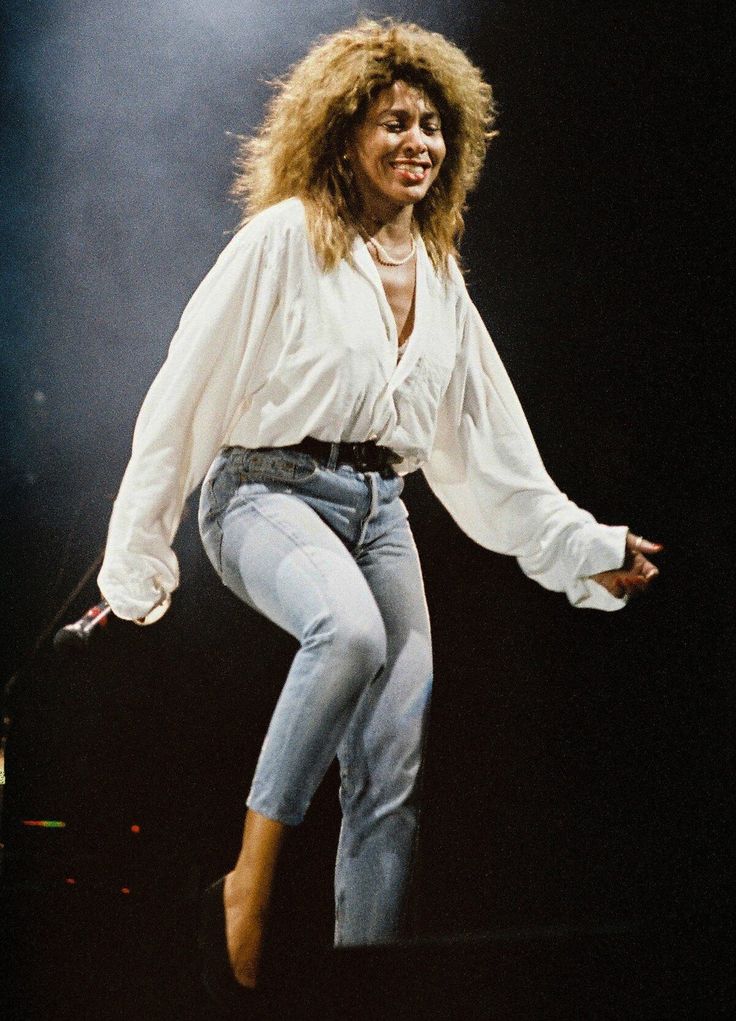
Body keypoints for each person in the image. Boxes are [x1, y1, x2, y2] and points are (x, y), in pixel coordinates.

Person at [97, 18, 661, 1007]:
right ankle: (250, 883)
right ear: (342, 133)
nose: (417, 142)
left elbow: (490, 450)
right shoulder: (282, 241)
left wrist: (585, 546)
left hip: (380, 509)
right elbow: (183, 391)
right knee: (347, 633)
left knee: (394, 754)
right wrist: (139, 549)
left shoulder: (439, 275)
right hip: (264, 490)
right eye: (393, 121)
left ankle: (367, 976)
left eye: (433, 125)